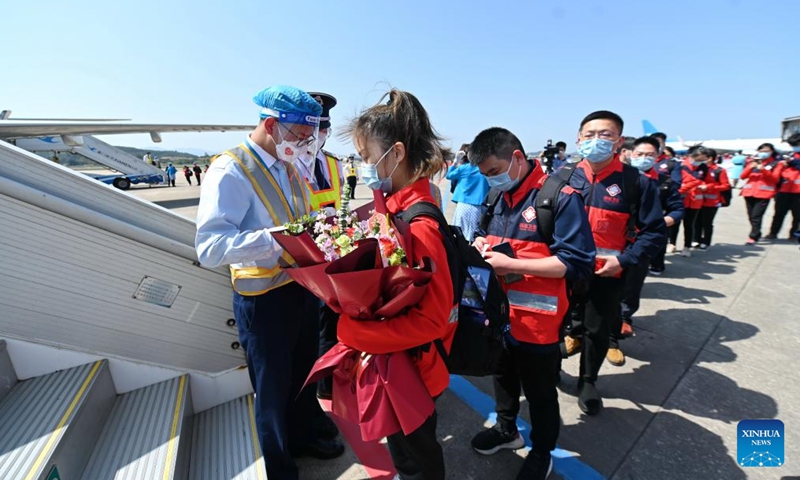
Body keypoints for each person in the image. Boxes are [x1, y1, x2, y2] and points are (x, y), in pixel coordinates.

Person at [195, 85, 344, 480]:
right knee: (272, 390)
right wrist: (277, 239)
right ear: (271, 125)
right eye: (298, 134)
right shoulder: (231, 170)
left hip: (302, 287)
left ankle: (303, 436)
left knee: (301, 376)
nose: (304, 143)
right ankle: (279, 465)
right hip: (263, 301)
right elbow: (209, 247)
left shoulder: (289, 161)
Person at [338, 89, 455, 480]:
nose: (363, 166)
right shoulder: (394, 209)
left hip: (415, 372)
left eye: (367, 158)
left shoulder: (420, 226)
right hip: (398, 364)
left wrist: (357, 333)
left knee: (416, 458)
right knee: (408, 453)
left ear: (398, 154)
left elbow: (432, 321)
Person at [467, 128, 595, 480]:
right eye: (485, 175)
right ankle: (506, 429)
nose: (491, 180)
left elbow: (577, 262)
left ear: (518, 159)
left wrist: (511, 265)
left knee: (540, 393)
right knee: (503, 377)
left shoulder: (558, 198)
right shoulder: (496, 198)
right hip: (500, 317)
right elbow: (484, 234)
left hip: (539, 322)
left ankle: (542, 450)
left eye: (494, 171)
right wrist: (481, 246)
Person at [563, 111, 666, 415]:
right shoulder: (562, 177)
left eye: (605, 135)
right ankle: (550, 368)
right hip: (563, 271)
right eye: (589, 134)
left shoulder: (636, 183)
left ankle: (588, 380)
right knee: (557, 323)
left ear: (619, 141)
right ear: (579, 139)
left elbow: (654, 232)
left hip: (607, 272)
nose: (596, 141)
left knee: (596, 329)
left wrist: (625, 261)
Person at [609, 136, 681, 365]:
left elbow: (678, 209)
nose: (643, 158)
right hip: (615, 242)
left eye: (649, 155)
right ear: (630, 153)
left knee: (632, 285)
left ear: (658, 156)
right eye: (639, 154)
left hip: (642, 242)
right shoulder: (620, 180)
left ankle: (621, 323)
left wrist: (660, 223)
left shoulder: (664, 182)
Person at [295, 92, 345, 214]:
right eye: (313, 130)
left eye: (322, 131)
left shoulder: (334, 163)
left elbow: (341, 196)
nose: (317, 136)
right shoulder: (288, 163)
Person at [740, 143, 785, 244]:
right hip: (749, 192)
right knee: (751, 216)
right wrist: (750, 167)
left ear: (771, 152)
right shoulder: (752, 162)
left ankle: (753, 236)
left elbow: (775, 179)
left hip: (764, 193)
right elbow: (742, 176)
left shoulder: (776, 164)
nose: (763, 153)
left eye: (766, 151)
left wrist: (763, 170)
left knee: (756, 216)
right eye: (761, 151)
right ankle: (757, 232)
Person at [446, 144, 489, 241]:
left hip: (463, 204)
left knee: (459, 233)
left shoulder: (463, 168)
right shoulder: (484, 168)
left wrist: (455, 162)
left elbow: (449, 175)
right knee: (473, 235)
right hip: (478, 206)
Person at [676, 147, 710, 257]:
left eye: (703, 159)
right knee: (674, 223)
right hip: (680, 199)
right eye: (699, 159)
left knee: (689, 224)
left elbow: (708, 181)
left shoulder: (704, 167)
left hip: (695, 201)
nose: (700, 162)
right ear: (691, 156)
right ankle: (672, 243)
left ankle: (687, 246)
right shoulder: (680, 166)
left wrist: (706, 186)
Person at [766, 133, 800, 240]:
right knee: (779, 214)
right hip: (784, 190)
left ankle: (793, 235)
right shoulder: (788, 154)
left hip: (798, 191)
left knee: (798, 216)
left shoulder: (794, 159)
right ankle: (773, 233)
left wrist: (793, 162)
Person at [694, 148, 730, 248]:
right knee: (697, 221)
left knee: (707, 222)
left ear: (710, 158)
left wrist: (710, 187)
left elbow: (725, 186)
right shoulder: (698, 169)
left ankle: (706, 241)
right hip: (698, 199)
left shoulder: (719, 170)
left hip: (712, 201)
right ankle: (696, 239)